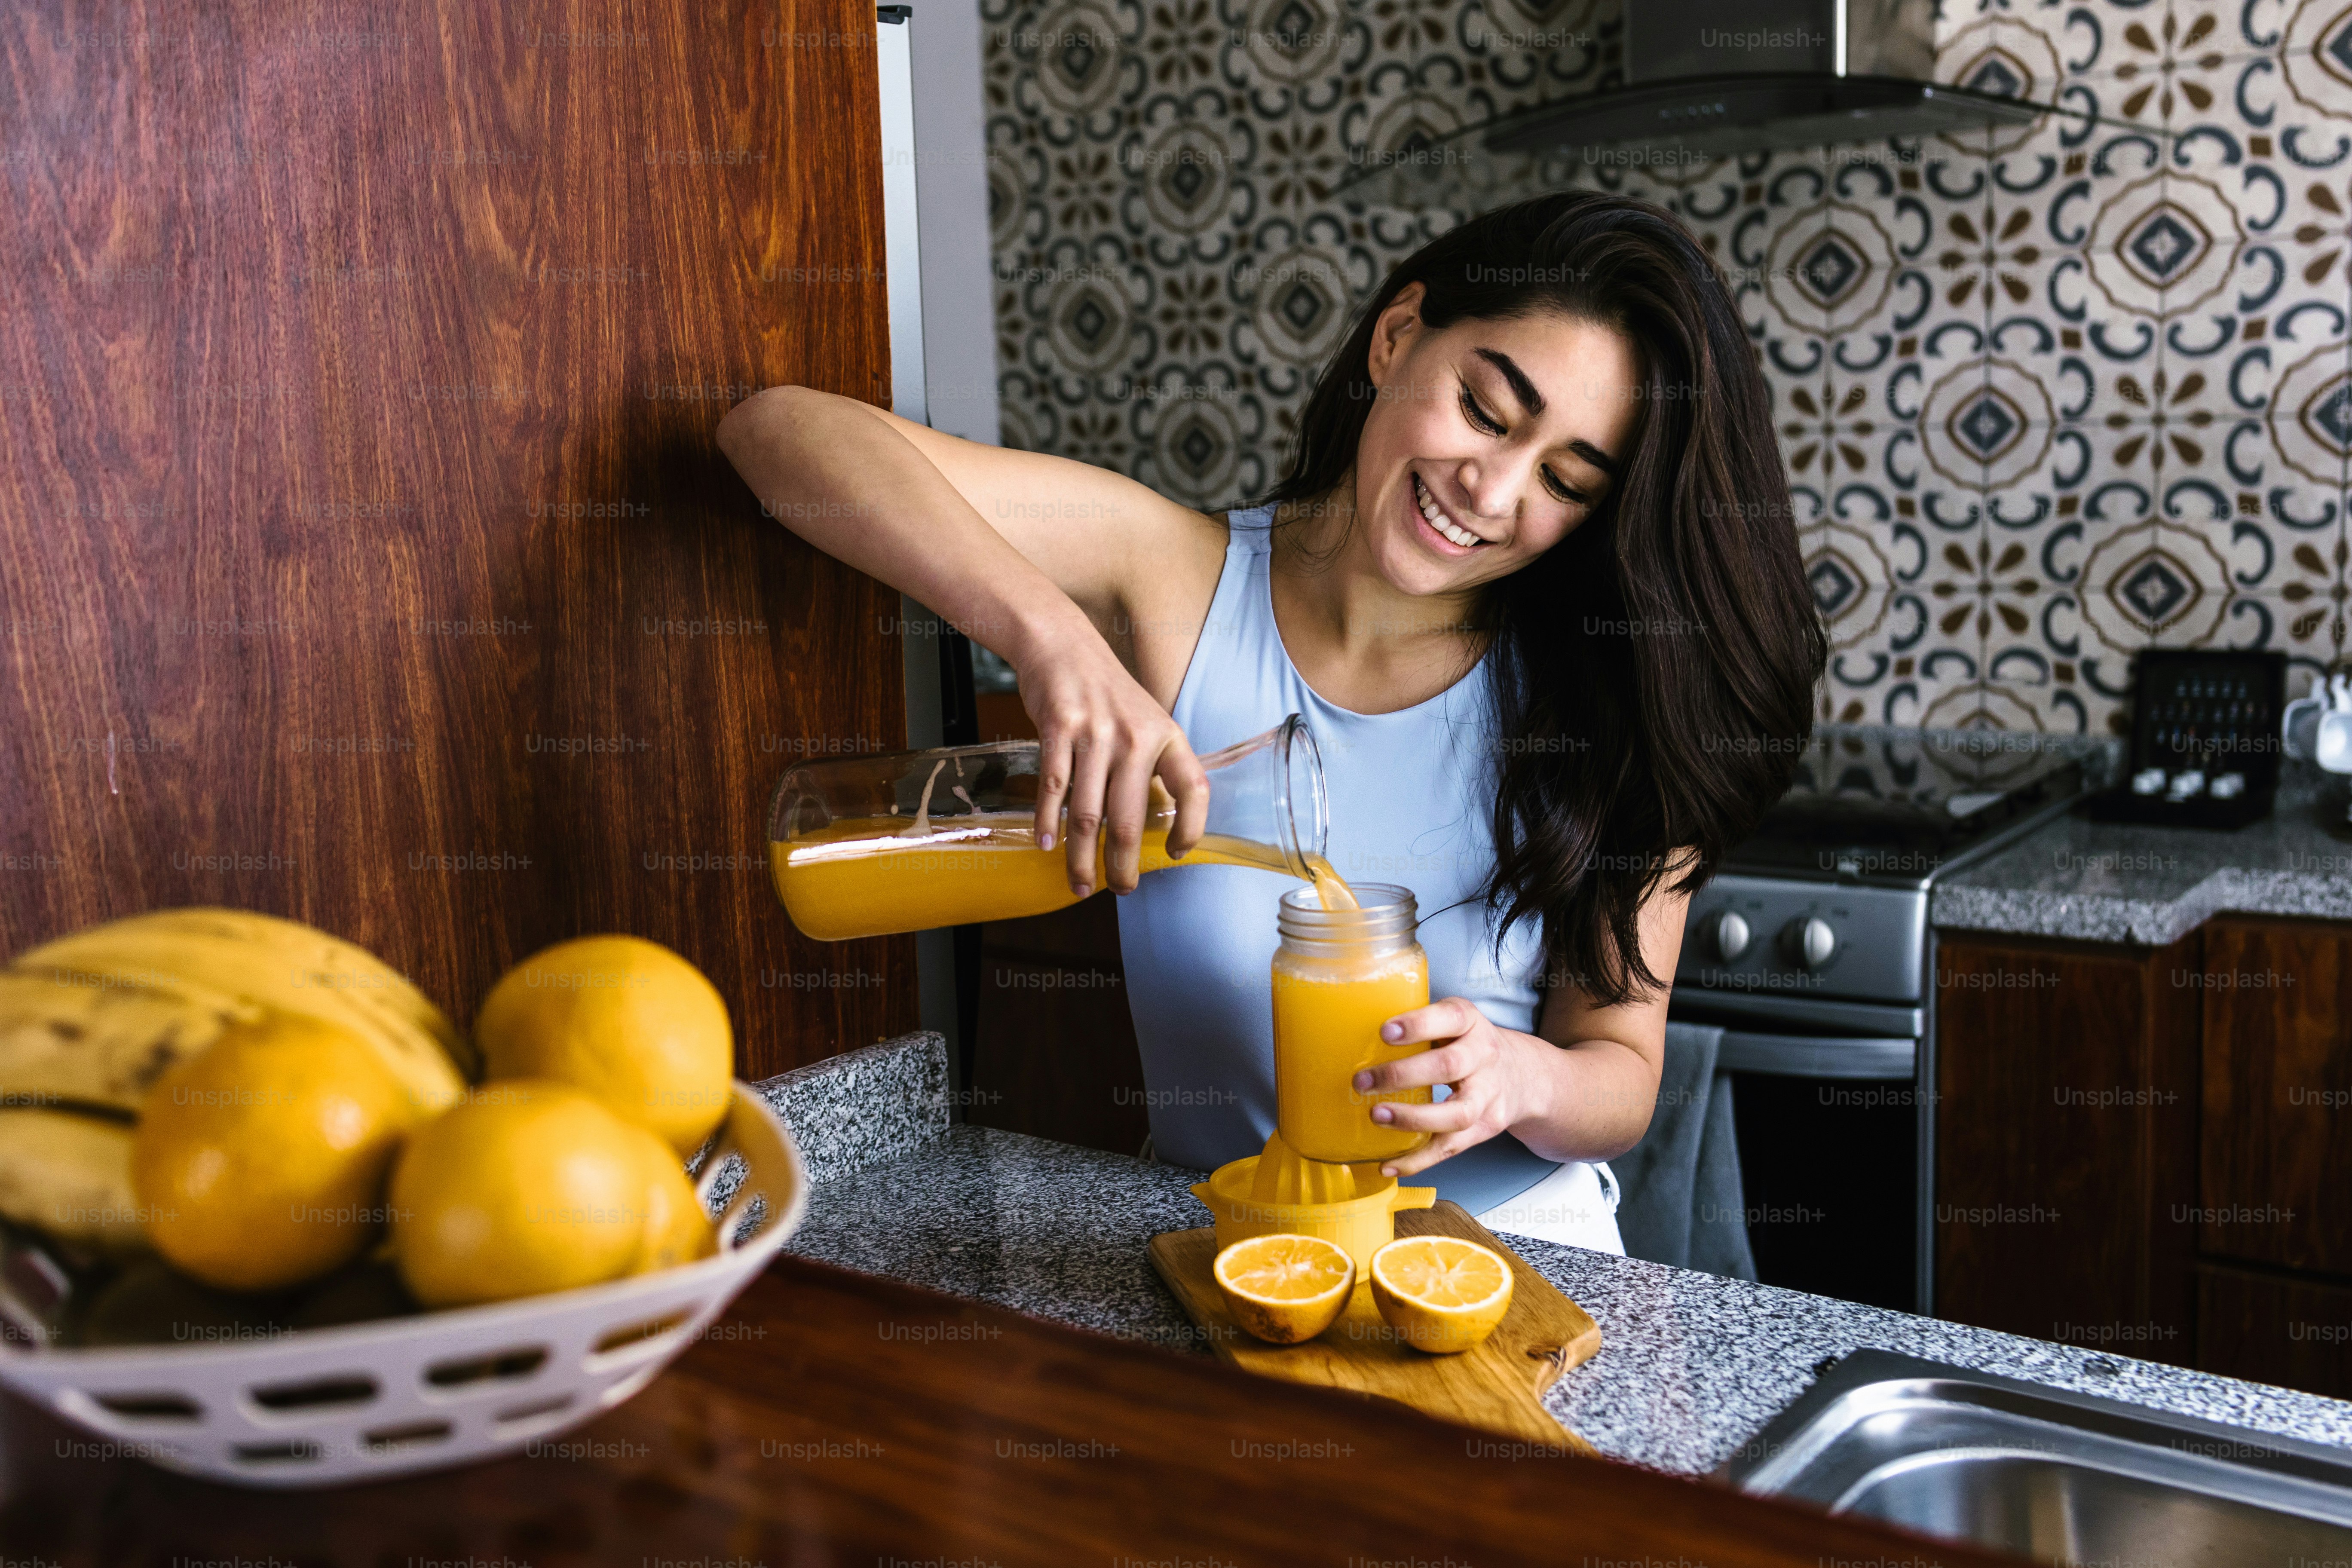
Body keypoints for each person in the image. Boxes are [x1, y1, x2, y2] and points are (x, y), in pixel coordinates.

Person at [718, 191, 1825, 1252]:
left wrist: (1526, 1078)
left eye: (1567, 481)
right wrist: (1051, 640)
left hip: (1511, 1266)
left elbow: (1620, 1071)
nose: (1492, 491)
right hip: (1230, 1255)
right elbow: (781, 436)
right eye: (1487, 410)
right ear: (1398, 336)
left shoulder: (1616, 698)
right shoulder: (1177, 583)